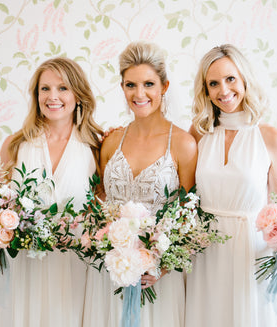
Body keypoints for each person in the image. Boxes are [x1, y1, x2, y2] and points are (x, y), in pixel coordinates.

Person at [82, 41, 197, 327]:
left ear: (164, 87)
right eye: (130, 85)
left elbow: (190, 214)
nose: (139, 93)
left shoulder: (183, 144)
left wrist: (162, 266)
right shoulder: (110, 142)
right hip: (109, 274)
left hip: (157, 278)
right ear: (122, 88)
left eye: (148, 84)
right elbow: (98, 203)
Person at [0, 57, 103, 327]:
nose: (53, 96)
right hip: (26, 265)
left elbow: (104, 209)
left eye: (62, 88)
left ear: (78, 94)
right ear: (36, 95)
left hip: (74, 266)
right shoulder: (15, 145)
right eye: (44, 89)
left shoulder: (96, 146)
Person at [184, 44, 277, 327]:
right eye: (213, 83)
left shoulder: (270, 137)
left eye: (230, 79)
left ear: (244, 79)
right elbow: (183, 190)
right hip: (206, 249)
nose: (223, 90)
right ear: (205, 90)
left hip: (252, 250)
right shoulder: (198, 133)